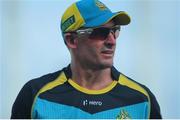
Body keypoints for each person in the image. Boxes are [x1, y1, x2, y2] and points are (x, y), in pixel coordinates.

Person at [11, 0, 162, 119]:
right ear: (71, 40)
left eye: (114, 31)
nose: (112, 41)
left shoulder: (141, 100)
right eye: (101, 32)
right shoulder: (35, 95)